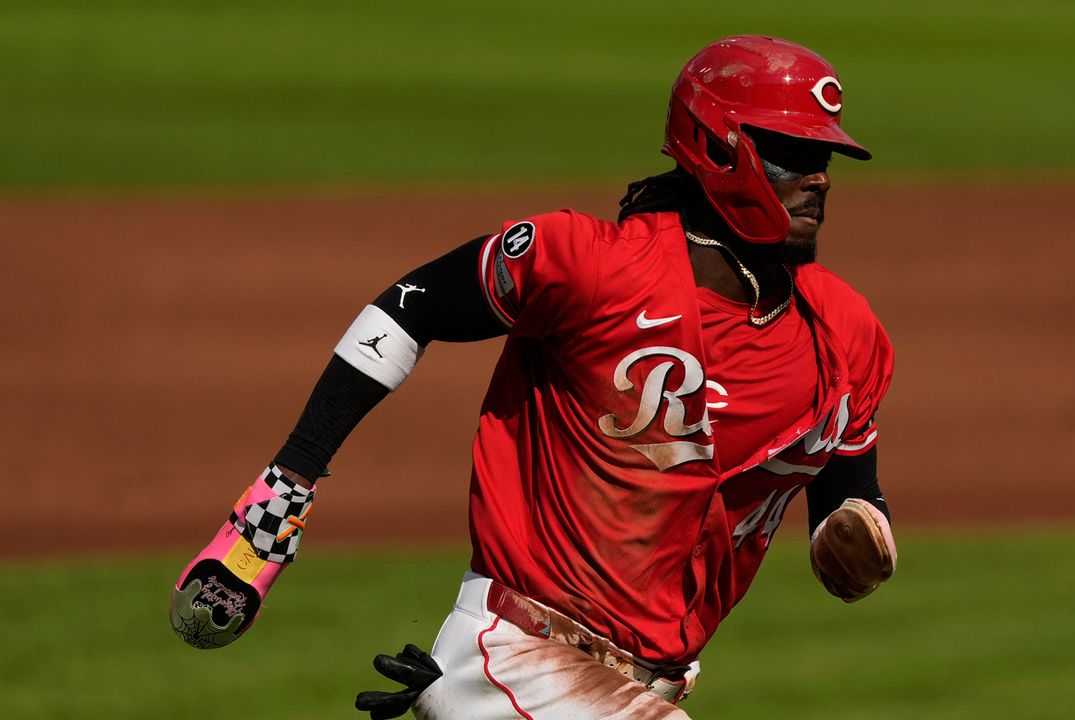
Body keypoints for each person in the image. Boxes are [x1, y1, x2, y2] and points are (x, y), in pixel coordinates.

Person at [169, 34, 898, 720]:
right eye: (790, 153)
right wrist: (284, 490)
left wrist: (860, 537)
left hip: (631, 689)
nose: (818, 178)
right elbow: (410, 307)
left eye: (824, 158)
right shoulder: (591, 265)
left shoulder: (844, 333)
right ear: (717, 147)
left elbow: (847, 490)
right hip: (520, 657)